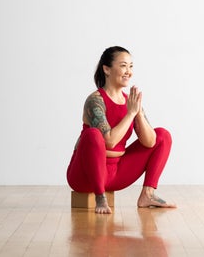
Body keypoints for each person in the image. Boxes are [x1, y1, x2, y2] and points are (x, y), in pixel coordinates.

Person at [67, 46, 176, 214]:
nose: (129, 71)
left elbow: (151, 142)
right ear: (106, 69)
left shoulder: (130, 101)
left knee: (162, 135)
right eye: (124, 65)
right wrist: (130, 113)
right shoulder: (95, 100)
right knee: (93, 134)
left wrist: (137, 113)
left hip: (116, 173)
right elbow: (109, 141)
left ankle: (148, 195)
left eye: (131, 66)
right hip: (85, 175)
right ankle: (100, 197)